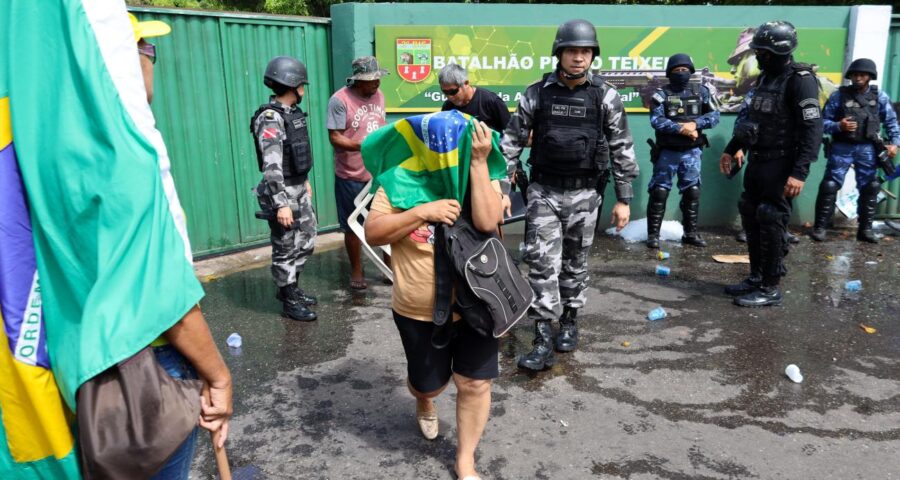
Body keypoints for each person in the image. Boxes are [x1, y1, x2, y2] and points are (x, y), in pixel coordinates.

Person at [365, 119, 503, 480]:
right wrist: (421, 212)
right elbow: (374, 231)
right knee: (431, 384)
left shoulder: (480, 168)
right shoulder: (398, 178)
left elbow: (489, 222)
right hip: (419, 308)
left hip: (479, 301)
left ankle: (465, 460)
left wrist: (477, 163)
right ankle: (423, 396)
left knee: (474, 383)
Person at [127, 16, 233, 479]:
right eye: (146, 49)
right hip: (148, 360)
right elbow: (160, 286)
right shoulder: (127, 146)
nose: (153, 59)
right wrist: (217, 375)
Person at [501, 19, 639, 371]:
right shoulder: (536, 93)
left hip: (585, 195)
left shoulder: (605, 95)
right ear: (559, 53)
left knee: (575, 264)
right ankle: (543, 337)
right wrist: (502, 189)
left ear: (592, 55)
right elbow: (511, 143)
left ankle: (570, 320)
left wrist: (624, 199)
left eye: (585, 51)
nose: (579, 58)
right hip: (544, 192)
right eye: (572, 51)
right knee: (542, 263)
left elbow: (623, 147)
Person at [720, 21, 823, 308]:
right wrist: (732, 148)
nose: (759, 57)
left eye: (764, 52)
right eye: (758, 51)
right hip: (758, 159)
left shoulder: (800, 79)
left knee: (770, 218)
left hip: (781, 163)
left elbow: (812, 128)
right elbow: (753, 121)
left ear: (780, 51)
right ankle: (755, 278)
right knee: (750, 214)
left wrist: (799, 172)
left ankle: (770, 286)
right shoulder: (765, 79)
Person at [251, 56, 318, 321]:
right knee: (285, 247)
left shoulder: (291, 115)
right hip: (281, 193)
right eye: (301, 84)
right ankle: (288, 297)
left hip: (297, 187)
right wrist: (281, 204)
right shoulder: (270, 118)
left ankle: (292, 287)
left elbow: (295, 153)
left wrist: (304, 180)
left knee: (307, 239)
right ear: (292, 85)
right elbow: (272, 164)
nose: (303, 88)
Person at [810, 58, 900, 243]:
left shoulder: (879, 97)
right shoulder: (838, 96)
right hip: (842, 147)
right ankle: (820, 228)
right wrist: (838, 126)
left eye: (862, 75)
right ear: (850, 76)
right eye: (855, 74)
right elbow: (822, 123)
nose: (858, 78)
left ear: (869, 77)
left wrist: (895, 144)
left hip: (868, 147)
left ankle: (865, 229)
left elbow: (891, 122)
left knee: (870, 187)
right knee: (830, 185)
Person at [327, 56, 390, 290]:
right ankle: (356, 269)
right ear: (357, 80)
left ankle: (388, 267)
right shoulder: (339, 100)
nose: (376, 84)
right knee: (353, 226)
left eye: (377, 79)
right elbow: (335, 137)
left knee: (386, 218)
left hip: (378, 173)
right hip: (350, 174)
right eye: (370, 80)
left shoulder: (379, 96)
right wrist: (361, 146)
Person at [646, 54, 720, 249]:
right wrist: (681, 128)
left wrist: (695, 123)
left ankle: (690, 233)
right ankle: (653, 235)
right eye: (677, 70)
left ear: (691, 71)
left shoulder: (702, 92)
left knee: (692, 192)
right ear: (669, 73)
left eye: (685, 70)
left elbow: (714, 115)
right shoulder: (660, 95)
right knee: (660, 191)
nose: (681, 73)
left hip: (692, 152)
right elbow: (656, 120)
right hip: (667, 152)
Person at [440, 64, 515, 217]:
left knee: (493, 214)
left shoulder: (491, 101)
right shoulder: (448, 107)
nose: (450, 97)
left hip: (493, 169)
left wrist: (512, 170)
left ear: (466, 83)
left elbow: (511, 138)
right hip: (464, 171)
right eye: (445, 92)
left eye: (453, 91)